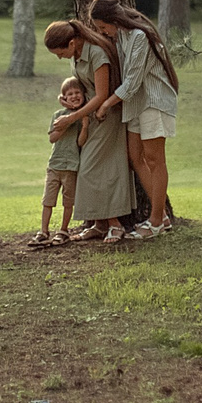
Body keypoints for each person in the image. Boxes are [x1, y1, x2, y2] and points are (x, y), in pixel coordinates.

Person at [89, 0, 179, 238]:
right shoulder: (121, 38)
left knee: (154, 159)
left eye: (103, 26)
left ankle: (156, 222)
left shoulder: (140, 37)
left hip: (153, 100)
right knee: (134, 157)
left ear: (113, 19)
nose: (103, 31)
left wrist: (106, 104)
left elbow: (133, 81)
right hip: (135, 105)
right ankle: (162, 217)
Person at [43, 16, 134, 242]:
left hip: (105, 115)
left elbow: (102, 94)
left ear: (72, 43)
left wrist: (70, 118)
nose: (59, 57)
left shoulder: (97, 54)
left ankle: (116, 223)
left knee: (93, 169)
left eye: (60, 52)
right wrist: (68, 103)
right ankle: (100, 223)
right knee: (88, 168)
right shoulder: (76, 56)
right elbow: (81, 88)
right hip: (88, 115)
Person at [31, 75, 87, 247]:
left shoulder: (81, 117)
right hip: (55, 165)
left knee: (68, 201)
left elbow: (81, 142)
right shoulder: (58, 115)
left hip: (72, 165)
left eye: (77, 92)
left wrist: (84, 125)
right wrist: (65, 123)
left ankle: (63, 230)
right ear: (63, 97)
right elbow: (52, 138)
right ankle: (43, 231)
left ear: (84, 95)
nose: (74, 96)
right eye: (69, 94)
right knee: (48, 200)